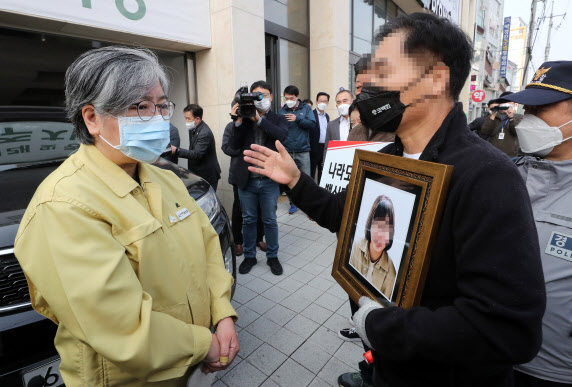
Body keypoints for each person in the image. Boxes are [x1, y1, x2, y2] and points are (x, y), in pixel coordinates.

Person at [243, 13, 545, 387]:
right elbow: (347, 218)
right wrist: (295, 181)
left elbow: (507, 328)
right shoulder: (386, 156)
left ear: (435, 79)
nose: (369, 84)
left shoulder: (487, 176)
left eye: (383, 71)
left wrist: (380, 324)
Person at [13, 46, 239, 386]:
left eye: (162, 105)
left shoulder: (162, 176)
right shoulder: (64, 205)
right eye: (140, 107)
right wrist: (204, 344)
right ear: (91, 118)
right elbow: (117, 324)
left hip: (182, 366)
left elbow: (207, 246)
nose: (159, 117)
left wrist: (222, 313)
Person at [501, 61, 572, 387]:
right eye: (527, 108)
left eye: (541, 109)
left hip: (553, 373)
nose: (527, 120)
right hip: (486, 355)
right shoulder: (506, 175)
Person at [228, 80, 288, 275]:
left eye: (263, 95)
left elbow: (282, 135)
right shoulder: (244, 118)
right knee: (248, 220)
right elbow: (234, 146)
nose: (259, 99)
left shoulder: (278, 119)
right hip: (247, 180)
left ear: (271, 96)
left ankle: (272, 257)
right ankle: (249, 256)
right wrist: (237, 121)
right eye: (256, 95)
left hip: (269, 180)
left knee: (270, 219)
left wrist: (259, 119)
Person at [222, 107, 266, 257]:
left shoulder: (257, 123)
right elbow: (226, 147)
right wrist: (243, 150)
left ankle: (259, 238)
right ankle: (238, 241)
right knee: (239, 208)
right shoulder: (231, 126)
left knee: (259, 207)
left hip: (258, 173)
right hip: (239, 174)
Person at [350, 195, 396, 299]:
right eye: (378, 226)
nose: (381, 235)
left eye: (386, 228)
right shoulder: (355, 246)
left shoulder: (391, 272)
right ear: (370, 224)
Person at [280, 85, 316, 214]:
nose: (288, 100)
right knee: (290, 179)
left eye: (291, 98)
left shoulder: (306, 108)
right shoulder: (282, 110)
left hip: (303, 150)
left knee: (306, 179)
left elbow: (312, 124)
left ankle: (308, 204)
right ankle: (293, 203)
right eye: (286, 98)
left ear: (297, 97)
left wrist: (298, 119)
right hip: (288, 151)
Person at [171, 104, 221, 191]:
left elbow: (197, 154)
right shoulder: (194, 128)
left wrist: (177, 150)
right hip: (197, 174)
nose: (186, 121)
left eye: (188, 118)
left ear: (197, 119)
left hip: (207, 175)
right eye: (185, 118)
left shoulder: (204, 133)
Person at [479, 91, 523, 157]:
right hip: (493, 153)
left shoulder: (518, 117)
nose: (506, 104)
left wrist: (511, 117)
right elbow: (485, 131)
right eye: (504, 102)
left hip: (510, 155)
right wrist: (493, 114)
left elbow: (515, 132)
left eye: (509, 102)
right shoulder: (494, 116)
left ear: (514, 104)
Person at [324, 89, 355, 159]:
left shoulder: (362, 122)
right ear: (336, 106)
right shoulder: (331, 125)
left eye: (345, 101)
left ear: (353, 101)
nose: (342, 104)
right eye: (339, 102)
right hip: (339, 164)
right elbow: (327, 149)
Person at [310, 92, 330, 182]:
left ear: (327, 103)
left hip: (324, 147)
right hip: (314, 147)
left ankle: (321, 191)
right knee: (312, 171)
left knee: (323, 171)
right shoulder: (311, 114)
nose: (323, 103)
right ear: (316, 102)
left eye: (325, 101)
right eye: (321, 101)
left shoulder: (327, 116)